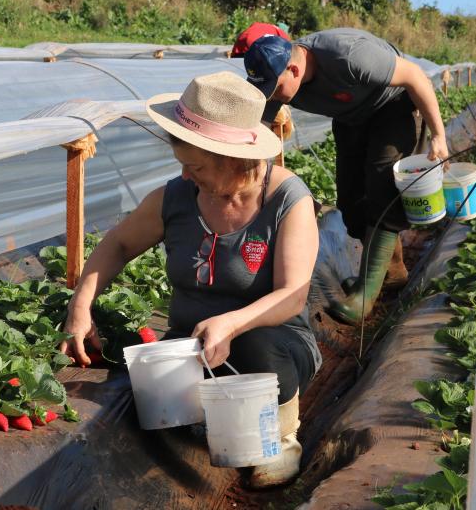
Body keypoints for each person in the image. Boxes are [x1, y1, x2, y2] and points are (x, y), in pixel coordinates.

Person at [60, 71, 321, 488]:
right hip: (192, 346)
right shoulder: (175, 198)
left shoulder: (287, 200)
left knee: (255, 345)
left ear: (233, 160)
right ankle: (202, 425)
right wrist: (80, 307)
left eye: (195, 166)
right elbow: (118, 246)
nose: (185, 176)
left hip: (274, 348)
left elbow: (292, 296)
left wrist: (231, 323)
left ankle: (281, 436)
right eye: (182, 165)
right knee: (142, 380)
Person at [243, 28, 450, 325]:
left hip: (393, 105)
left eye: (274, 88)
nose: (271, 97)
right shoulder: (279, 80)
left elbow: (415, 76)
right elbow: (259, 130)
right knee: (351, 203)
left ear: (294, 69)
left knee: (382, 189)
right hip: (351, 116)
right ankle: (392, 273)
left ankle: (366, 293)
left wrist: (440, 136)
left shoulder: (349, 57)